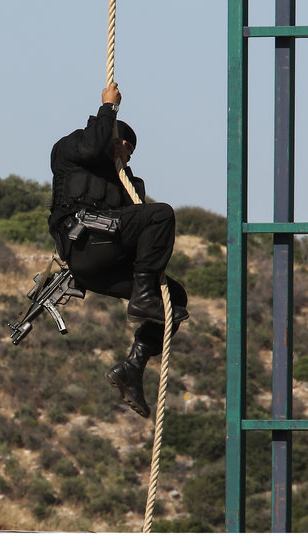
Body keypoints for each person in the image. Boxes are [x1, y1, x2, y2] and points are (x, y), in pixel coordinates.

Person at [48, 82, 189, 418]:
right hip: (84, 248)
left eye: (130, 152)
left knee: (176, 296)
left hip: (107, 261)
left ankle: (133, 368)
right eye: (124, 146)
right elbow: (91, 148)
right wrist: (108, 108)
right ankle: (142, 300)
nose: (125, 154)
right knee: (162, 213)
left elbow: (138, 233)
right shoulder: (70, 150)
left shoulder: (128, 183)